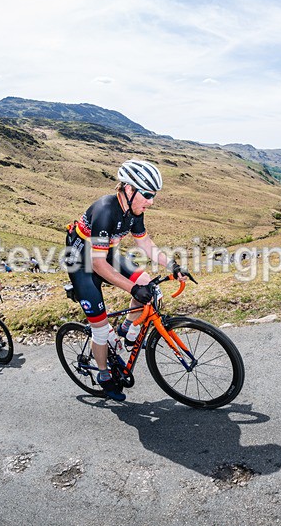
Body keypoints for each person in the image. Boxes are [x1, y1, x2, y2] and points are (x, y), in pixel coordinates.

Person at [64, 160, 190, 401]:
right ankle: (103, 376)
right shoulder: (105, 210)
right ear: (129, 190)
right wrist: (133, 288)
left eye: (154, 195)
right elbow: (98, 265)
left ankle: (128, 330)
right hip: (81, 264)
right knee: (100, 332)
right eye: (147, 195)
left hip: (104, 254)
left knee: (147, 283)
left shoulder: (135, 210)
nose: (151, 201)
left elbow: (145, 244)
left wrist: (172, 266)